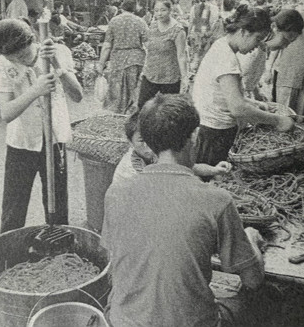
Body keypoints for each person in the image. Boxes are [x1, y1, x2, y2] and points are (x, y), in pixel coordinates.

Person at [102, 93, 265, 327]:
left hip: (121, 320)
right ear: (195, 136)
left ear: (147, 142)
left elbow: (115, 264)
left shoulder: (116, 192)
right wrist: (251, 240)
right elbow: (253, 279)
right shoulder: (217, 200)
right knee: (249, 298)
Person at [0, 19, 83, 233]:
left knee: (58, 204)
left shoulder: (57, 51)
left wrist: (57, 66)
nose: (21, 61)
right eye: (15, 59)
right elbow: (6, 113)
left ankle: (59, 248)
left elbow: (77, 96)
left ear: (33, 40)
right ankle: (9, 253)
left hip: (55, 140)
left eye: (24, 55)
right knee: (14, 207)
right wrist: (35, 91)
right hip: (22, 143)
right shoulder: (1, 65)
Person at [192, 5, 295, 171]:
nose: (257, 45)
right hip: (214, 133)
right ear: (244, 31)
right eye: (257, 38)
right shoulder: (227, 58)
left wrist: (253, 103)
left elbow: (224, 95)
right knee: (215, 176)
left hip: (208, 129)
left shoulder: (221, 45)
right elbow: (238, 108)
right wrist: (277, 120)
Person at [111, 111, 232, 187]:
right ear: (130, 142)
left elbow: (188, 167)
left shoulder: (157, 152)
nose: (149, 144)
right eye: (142, 140)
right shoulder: (132, 169)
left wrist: (215, 170)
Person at [96, 0, 148, 114]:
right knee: (133, 92)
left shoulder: (114, 21)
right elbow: (148, 44)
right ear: (135, 6)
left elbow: (107, 45)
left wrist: (101, 64)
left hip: (117, 61)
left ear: (122, 5)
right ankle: (131, 118)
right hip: (136, 61)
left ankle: (117, 118)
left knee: (116, 93)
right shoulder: (140, 22)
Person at [240, 9, 304, 101]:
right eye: (285, 39)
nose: (285, 46)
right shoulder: (251, 48)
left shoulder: (263, 49)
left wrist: (257, 94)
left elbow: (249, 77)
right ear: (274, 27)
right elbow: (237, 81)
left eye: (290, 43)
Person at [137, 0, 188, 108]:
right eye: (156, 10)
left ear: (170, 10)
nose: (159, 13)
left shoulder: (178, 30)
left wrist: (184, 78)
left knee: (169, 110)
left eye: (163, 10)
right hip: (150, 74)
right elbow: (150, 50)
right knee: (143, 106)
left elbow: (181, 55)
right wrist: (144, 69)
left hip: (170, 77)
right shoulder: (153, 26)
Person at [187, 0, 211, 72]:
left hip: (195, 33)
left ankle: (193, 71)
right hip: (206, 34)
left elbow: (191, 22)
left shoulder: (194, 8)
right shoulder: (211, 8)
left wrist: (188, 34)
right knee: (204, 54)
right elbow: (212, 22)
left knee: (195, 54)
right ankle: (201, 71)